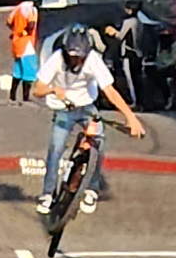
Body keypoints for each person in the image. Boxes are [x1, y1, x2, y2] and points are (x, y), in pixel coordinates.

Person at [32, 23, 145, 216]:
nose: (77, 61)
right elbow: (37, 89)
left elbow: (110, 91)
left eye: (80, 57)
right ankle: (48, 194)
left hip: (86, 107)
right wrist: (53, 89)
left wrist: (131, 118)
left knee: (99, 142)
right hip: (63, 108)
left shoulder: (93, 60)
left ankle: (92, 189)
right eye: (73, 57)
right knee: (56, 148)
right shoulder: (56, 59)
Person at [105, 0, 145, 110]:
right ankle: (140, 102)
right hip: (138, 53)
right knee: (137, 79)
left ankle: (135, 102)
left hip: (129, 53)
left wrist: (112, 31)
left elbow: (120, 36)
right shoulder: (139, 22)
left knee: (130, 79)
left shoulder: (129, 22)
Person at [6, 0, 41, 106]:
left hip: (17, 43)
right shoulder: (32, 9)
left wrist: (17, 31)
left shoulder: (17, 8)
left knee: (18, 71)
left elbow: (9, 22)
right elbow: (31, 25)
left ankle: (12, 97)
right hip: (27, 44)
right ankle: (26, 98)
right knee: (29, 70)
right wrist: (26, 32)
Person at [148, 26, 176, 111]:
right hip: (161, 66)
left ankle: (168, 97)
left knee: (161, 76)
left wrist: (164, 65)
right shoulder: (161, 43)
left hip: (172, 67)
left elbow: (175, 59)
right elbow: (158, 56)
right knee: (150, 73)